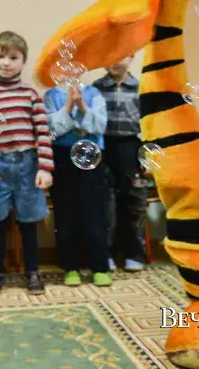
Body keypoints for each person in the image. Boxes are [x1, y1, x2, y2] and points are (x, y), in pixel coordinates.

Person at [0, 31, 53, 294]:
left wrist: (44, 168)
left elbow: (43, 133)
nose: (6, 62)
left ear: (23, 61)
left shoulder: (31, 95)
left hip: (28, 164)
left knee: (28, 222)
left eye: (13, 57)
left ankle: (32, 272)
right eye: (0, 56)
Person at [43, 80, 112, 287]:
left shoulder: (94, 94)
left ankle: (99, 266)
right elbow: (49, 129)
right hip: (62, 157)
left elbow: (100, 126)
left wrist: (82, 106)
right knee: (65, 213)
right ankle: (70, 267)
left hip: (91, 155)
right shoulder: (51, 95)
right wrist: (67, 108)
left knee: (94, 212)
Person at [92, 55, 148, 272]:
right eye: (110, 55)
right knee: (106, 205)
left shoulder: (140, 88)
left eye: (121, 56)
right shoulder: (96, 88)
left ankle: (134, 253)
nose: (115, 61)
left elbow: (149, 125)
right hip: (104, 148)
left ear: (132, 56)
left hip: (131, 148)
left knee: (133, 203)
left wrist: (146, 157)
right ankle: (106, 253)